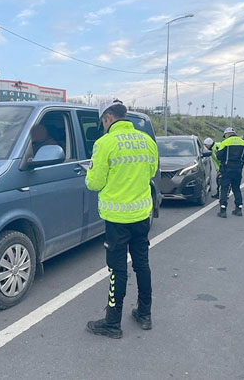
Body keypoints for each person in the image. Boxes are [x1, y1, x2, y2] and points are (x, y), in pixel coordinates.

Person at [85, 99, 158, 339]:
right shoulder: (147, 141)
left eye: (102, 122)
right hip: (141, 216)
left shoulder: (104, 143)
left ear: (107, 118)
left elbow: (94, 183)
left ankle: (112, 322)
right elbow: (150, 172)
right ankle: (144, 314)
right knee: (142, 264)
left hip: (116, 219)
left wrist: (92, 172)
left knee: (117, 269)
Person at [216, 127, 244, 218]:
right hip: (238, 170)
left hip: (226, 170)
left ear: (227, 134)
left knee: (224, 189)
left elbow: (219, 156)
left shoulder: (225, 143)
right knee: (236, 189)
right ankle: (238, 209)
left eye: (225, 135)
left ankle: (223, 211)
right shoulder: (243, 143)